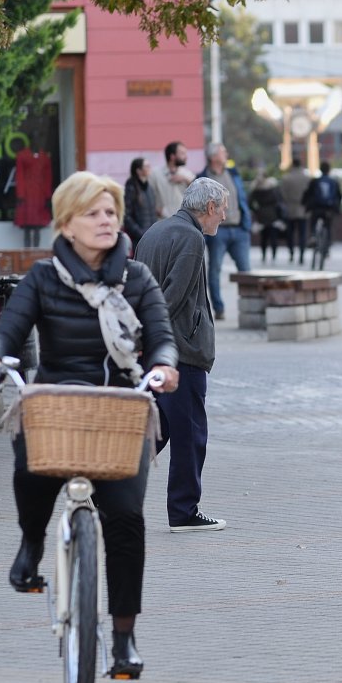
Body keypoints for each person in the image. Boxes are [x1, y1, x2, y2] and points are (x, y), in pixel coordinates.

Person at [0, 172, 180, 679]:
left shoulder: (137, 278)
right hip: (60, 402)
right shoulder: (43, 277)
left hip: (119, 408)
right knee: (32, 465)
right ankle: (31, 544)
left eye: (111, 211)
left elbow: (160, 336)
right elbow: (10, 329)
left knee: (127, 519)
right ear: (67, 225)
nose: (106, 219)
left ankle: (124, 638)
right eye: (93, 212)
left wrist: (166, 366)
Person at [136, 176, 228, 533]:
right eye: (222, 210)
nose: (223, 217)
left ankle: (104, 489)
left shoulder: (155, 230)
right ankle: (184, 511)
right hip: (180, 351)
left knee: (156, 431)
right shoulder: (191, 238)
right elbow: (172, 297)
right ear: (208, 207)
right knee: (189, 433)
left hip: (156, 349)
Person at [201, 142, 251, 321]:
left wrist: (246, 224)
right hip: (217, 232)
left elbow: (242, 199)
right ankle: (219, 308)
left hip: (239, 230)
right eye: (223, 151)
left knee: (246, 272)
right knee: (214, 270)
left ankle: (250, 307)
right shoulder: (203, 178)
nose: (226, 153)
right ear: (214, 157)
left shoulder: (233, 173)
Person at [303, 159, 342, 258]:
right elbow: (339, 196)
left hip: (316, 208)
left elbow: (308, 194)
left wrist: (304, 204)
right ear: (329, 170)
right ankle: (326, 248)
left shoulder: (315, 181)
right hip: (329, 209)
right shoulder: (334, 182)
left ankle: (313, 236)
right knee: (328, 226)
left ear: (320, 170)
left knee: (313, 220)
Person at [279, 157, 312, 263]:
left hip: (290, 208)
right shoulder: (307, 178)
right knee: (302, 233)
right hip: (303, 209)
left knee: (290, 233)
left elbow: (282, 194)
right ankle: (302, 254)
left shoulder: (286, 178)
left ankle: (291, 252)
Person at [122, 158, 158, 246]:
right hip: (138, 239)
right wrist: (139, 233)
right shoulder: (131, 188)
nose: (150, 168)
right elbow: (126, 216)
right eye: (146, 166)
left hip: (152, 236)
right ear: (138, 170)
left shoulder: (149, 188)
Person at [156, 141, 192, 218]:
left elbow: (197, 195)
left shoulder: (188, 174)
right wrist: (158, 210)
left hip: (183, 220)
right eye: (182, 153)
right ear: (172, 156)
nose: (186, 157)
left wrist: (186, 180)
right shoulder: (155, 174)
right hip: (162, 221)